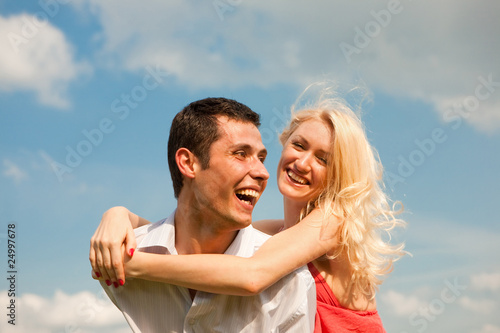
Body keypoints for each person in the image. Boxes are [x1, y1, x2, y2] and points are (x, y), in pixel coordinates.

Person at [91, 89, 406, 332]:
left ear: (339, 173)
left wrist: (128, 265)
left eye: (323, 158)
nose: (303, 162)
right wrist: (119, 216)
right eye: (299, 145)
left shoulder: (335, 221)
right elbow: (182, 234)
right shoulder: (276, 234)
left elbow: (250, 275)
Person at [91, 97, 316, 332]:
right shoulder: (116, 256)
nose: (263, 172)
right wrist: (117, 213)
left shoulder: (290, 283)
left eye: (261, 158)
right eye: (240, 154)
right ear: (188, 163)